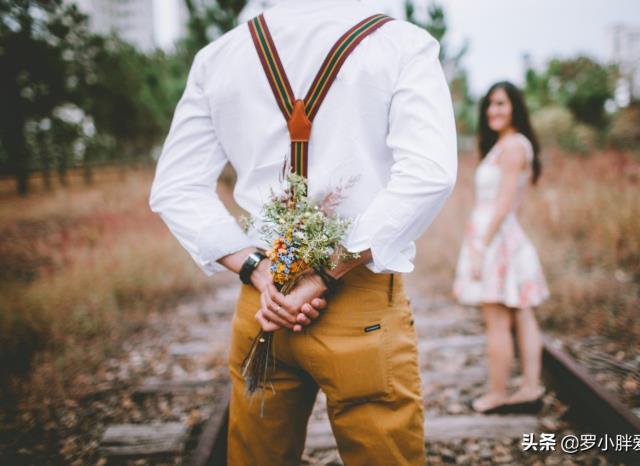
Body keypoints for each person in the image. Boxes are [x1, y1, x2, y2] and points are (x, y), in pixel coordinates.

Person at [149, 0, 457, 464]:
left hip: (265, 305)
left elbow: (175, 187)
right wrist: (323, 274)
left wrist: (258, 269)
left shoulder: (219, 57)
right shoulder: (401, 44)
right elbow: (429, 174)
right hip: (359, 300)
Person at [452, 81, 550, 415]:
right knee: (522, 312)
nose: (493, 111)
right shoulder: (510, 145)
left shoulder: (512, 147)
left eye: (501, 104)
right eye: (490, 105)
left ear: (514, 108)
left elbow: (505, 202)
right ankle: (529, 388)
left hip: (495, 239)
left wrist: (481, 245)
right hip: (503, 235)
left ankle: (497, 394)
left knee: (496, 319)